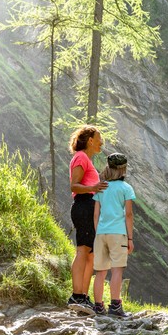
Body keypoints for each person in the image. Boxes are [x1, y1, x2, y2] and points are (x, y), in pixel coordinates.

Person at [67, 125, 108, 315]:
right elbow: (74, 186)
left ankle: (83, 296)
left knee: (91, 253)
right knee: (83, 250)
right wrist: (95, 186)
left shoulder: (87, 160)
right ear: (90, 140)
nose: (102, 141)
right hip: (83, 206)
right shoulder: (81, 157)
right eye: (99, 138)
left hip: (90, 207)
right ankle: (77, 295)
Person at [91, 153, 135, 317]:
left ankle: (98, 307)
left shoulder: (102, 187)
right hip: (118, 234)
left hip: (101, 233)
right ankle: (115, 306)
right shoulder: (126, 188)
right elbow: (128, 215)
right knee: (117, 270)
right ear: (123, 168)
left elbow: (96, 214)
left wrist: (98, 232)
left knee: (100, 272)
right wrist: (130, 238)